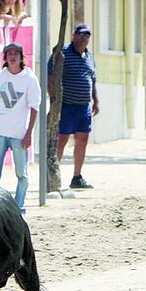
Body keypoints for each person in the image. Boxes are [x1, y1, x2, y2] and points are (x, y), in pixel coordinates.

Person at [0, 43, 40, 212]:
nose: (13, 56)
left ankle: (19, 205)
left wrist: (29, 133)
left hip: (18, 133)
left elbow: (34, 107)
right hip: (0, 131)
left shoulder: (29, 78)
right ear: (5, 57)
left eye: (16, 53)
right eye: (9, 53)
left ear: (22, 57)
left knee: (21, 173)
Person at [49, 23, 99, 189]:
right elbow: (51, 74)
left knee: (82, 140)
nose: (84, 37)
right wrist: (54, 97)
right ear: (74, 35)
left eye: (87, 35)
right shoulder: (62, 53)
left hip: (84, 106)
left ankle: (77, 177)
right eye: (81, 34)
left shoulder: (89, 56)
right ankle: (52, 175)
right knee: (61, 140)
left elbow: (93, 79)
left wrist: (96, 100)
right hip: (66, 105)